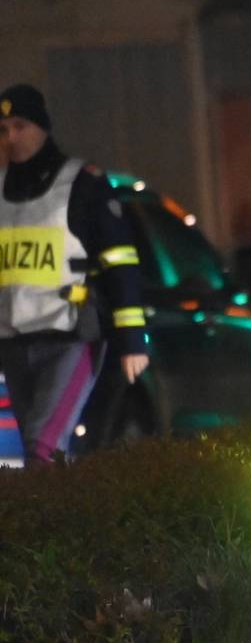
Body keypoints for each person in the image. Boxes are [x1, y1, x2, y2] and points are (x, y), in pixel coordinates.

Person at [0, 85, 147, 465]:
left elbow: (121, 262)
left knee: (42, 446)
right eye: (3, 129)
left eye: (20, 125)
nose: (11, 137)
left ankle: (41, 522)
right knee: (44, 449)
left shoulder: (81, 184)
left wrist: (131, 339)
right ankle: (65, 518)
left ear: (43, 128)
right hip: (14, 343)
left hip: (71, 339)